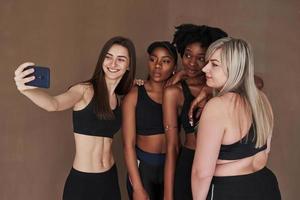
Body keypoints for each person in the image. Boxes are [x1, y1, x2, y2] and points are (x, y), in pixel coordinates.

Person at [13, 36, 136, 200]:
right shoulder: (84, 90)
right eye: (108, 57)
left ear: (128, 65)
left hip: (109, 179)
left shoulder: (120, 99)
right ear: (102, 60)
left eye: (121, 59)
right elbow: (53, 104)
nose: (113, 64)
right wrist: (26, 90)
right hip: (83, 181)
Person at [191, 37, 281, 200]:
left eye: (214, 64)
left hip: (230, 190)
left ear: (234, 68)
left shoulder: (217, 106)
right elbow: (262, 154)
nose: (204, 69)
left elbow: (202, 173)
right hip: (266, 185)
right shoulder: (262, 100)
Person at [163, 24, 228, 200]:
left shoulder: (221, 86)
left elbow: (256, 83)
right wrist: (168, 195)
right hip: (189, 163)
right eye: (188, 55)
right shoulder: (174, 92)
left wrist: (207, 90)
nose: (192, 63)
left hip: (219, 165)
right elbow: (172, 146)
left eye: (200, 58)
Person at [122, 41, 177, 200]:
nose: (157, 65)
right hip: (144, 169)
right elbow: (128, 145)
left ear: (174, 67)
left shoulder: (178, 94)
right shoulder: (134, 95)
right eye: (153, 59)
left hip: (171, 167)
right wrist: (138, 187)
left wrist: (182, 75)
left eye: (165, 61)